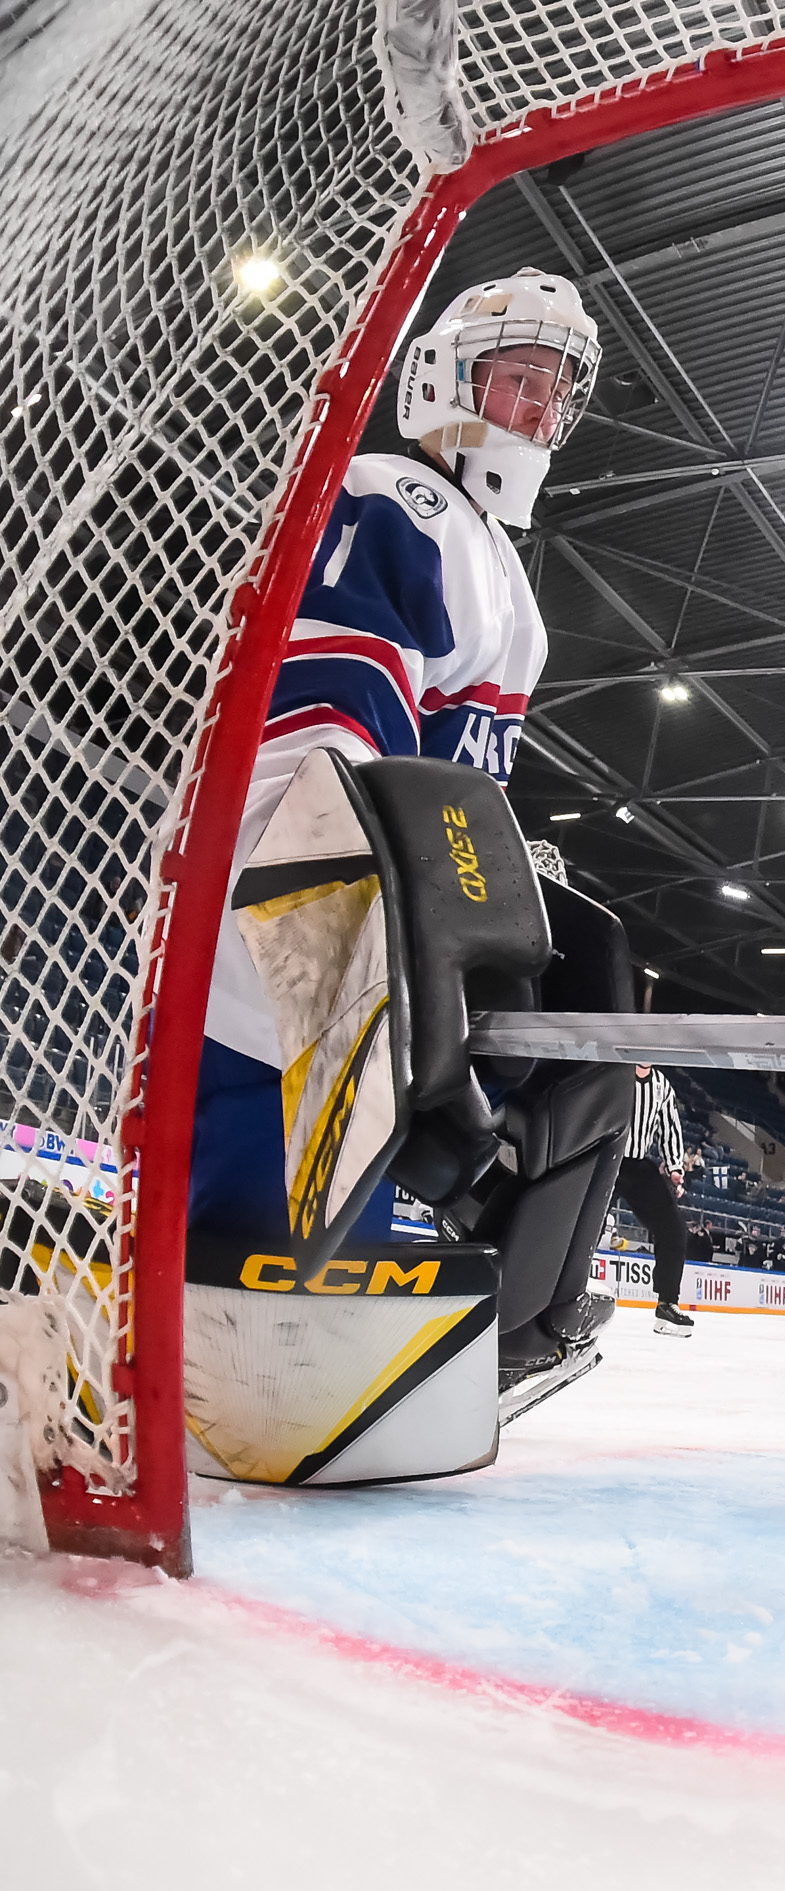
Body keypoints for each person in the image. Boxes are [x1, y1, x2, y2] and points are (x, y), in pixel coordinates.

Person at [191, 265, 609, 1396]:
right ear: (444, 380)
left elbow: (453, 773)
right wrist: (353, 919)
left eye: (557, 391)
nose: (540, 409)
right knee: (266, 1223)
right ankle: (250, 1351)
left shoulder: (496, 565)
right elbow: (325, 736)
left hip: (391, 895)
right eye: (519, 378)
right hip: (301, 900)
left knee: (595, 977)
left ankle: (524, 1313)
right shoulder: (398, 496)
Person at [616, 1065, 696, 1335]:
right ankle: (561, 1298)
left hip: (638, 1165)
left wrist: (675, 1167)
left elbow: (670, 1127)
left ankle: (667, 1304)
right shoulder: (614, 1072)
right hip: (605, 1158)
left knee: (674, 1229)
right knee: (584, 1226)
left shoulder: (661, 1084)